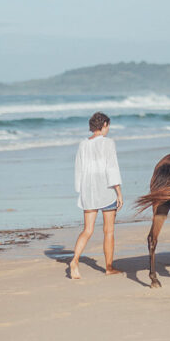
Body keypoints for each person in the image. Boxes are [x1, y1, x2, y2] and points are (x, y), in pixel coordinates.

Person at [67, 112, 123, 279]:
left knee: (88, 230)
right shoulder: (108, 143)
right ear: (104, 124)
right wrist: (119, 192)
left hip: (89, 191)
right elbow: (112, 168)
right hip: (105, 190)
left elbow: (78, 168)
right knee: (109, 231)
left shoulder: (83, 144)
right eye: (108, 126)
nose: (108, 129)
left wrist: (80, 189)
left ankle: (75, 260)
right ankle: (109, 267)